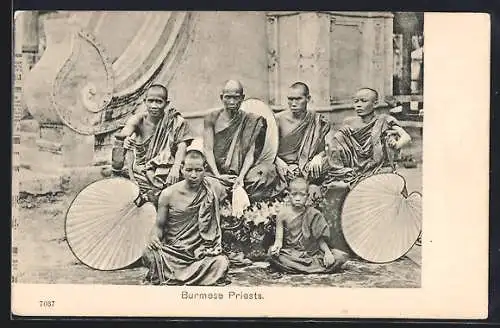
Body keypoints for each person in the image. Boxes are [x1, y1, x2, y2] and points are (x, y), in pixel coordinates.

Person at [142, 140, 230, 286]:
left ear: (205, 169)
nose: (193, 175)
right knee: (149, 254)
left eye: (198, 170)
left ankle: (176, 276)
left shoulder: (212, 188)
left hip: (200, 253)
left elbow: (229, 186)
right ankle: (197, 277)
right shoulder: (168, 194)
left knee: (220, 263)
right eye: (189, 170)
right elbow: (159, 226)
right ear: (182, 168)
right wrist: (153, 237)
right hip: (174, 252)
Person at [203, 79, 284, 202]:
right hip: (217, 172)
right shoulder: (212, 118)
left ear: (242, 98)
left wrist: (241, 177)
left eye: (236, 98)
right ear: (221, 97)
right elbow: (208, 149)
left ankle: (240, 192)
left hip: (244, 174)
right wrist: (218, 175)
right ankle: (230, 192)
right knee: (208, 183)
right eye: (228, 97)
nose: (232, 102)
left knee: (268, 172)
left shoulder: (251, 120)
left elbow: (250, 154)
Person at [115, 84, 194, 206]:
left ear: (166, 104)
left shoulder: (175, 121)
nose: (154, 106)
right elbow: (124, 134)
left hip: (166, 172)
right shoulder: (139, 120)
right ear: (144, 101)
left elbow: (182, 146)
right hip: (142, 172)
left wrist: (175, 168)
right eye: (150, 101)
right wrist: (126, 140)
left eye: (158, 102)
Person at [322, 87, 412, 186]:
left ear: (375, 103)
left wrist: (396, 144)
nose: (358, 105)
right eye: (356, 101)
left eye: (363, 101)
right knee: (339, 136)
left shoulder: (384, 120)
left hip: (376, 166)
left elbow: (406, 137)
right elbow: (336, 143)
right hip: (352, 167)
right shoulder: (349, 122)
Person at [268, 176, 348, 274]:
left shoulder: (313, 214)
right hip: (292, 253)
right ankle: (314, 268)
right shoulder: (282, 214)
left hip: (311, 253)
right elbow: (278, 240)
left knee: (340, 256)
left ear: (307, 196)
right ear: (288, 195)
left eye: (302, 195)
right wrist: (276, 248)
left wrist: (327, 253)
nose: (298, 198)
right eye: (294, 194)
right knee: (271, 253)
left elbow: (320, 240)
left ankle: (297, 268)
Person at [275, 82, 331, 184]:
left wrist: (318, 157)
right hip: (283, 166)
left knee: (327, 163)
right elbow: (267, 151)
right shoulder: (277, 119)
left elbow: (321, 150)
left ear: (308, 99)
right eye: (290, 99)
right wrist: (278, 162)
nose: (293, 103)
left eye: (298, 99)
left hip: (307, 166)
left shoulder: (316, 120)